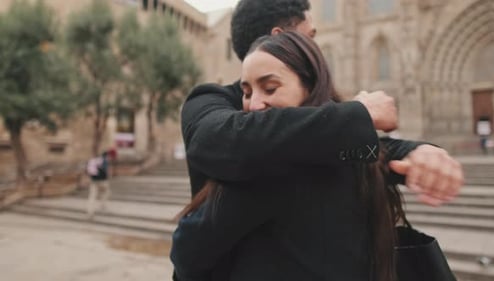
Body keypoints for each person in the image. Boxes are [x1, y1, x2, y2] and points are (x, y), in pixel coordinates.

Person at [171, 31, 416, 281]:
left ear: (309, 87)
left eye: (270, 88)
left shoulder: (269, 171)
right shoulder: (357, 160)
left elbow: (187, 253)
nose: (254, 104)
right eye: (246, 93)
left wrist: (418, 150)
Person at [181, 0, 463, 209]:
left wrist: (418, 152)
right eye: (311, 36)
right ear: (281, 39)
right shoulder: (210, 102)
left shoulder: (320, 118)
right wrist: (358, 114)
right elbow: (225, 139)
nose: (317, 47)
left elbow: (362, 149)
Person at [86, 149, 114, 219]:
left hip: (94, 181)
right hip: (102, 181)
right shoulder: (104, 160)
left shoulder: (94, 160)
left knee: (92, 197)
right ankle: (103, 205)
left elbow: (89, 171)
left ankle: (90, 212)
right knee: (106, 192)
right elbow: (106, 171)